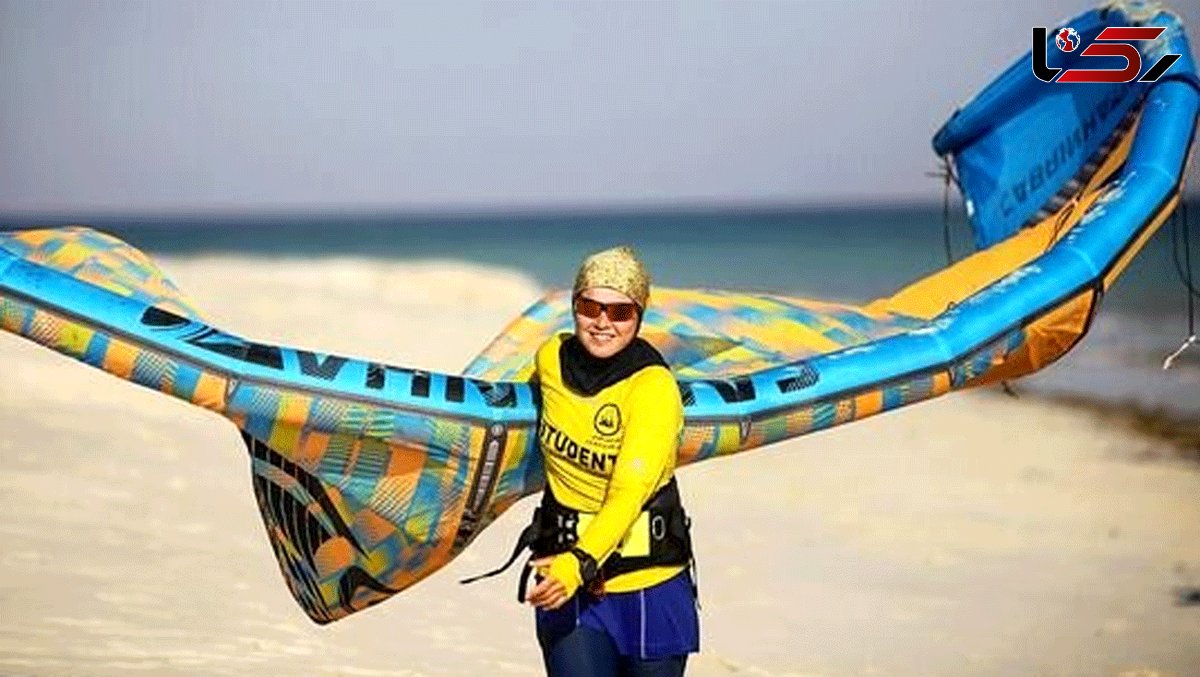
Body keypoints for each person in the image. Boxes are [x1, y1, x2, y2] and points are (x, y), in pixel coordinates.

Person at [524, 245, 699, 676]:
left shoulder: (653, 389)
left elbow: (628, 493)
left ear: (639, 317)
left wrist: (576, 564)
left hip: (648, 585)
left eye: (621, 312)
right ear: (574, 306)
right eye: (591, 306)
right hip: (569, 583)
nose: (603, 322)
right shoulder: (550, 359)